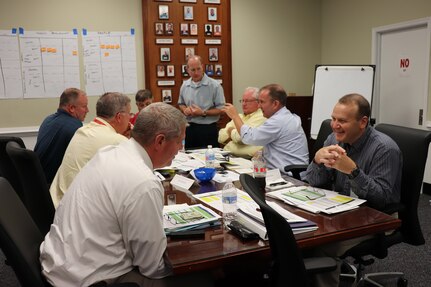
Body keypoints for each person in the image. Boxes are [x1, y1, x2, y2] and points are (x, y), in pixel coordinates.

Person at [40, 103, 214, 287]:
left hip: (60, 262)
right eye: (180, 142)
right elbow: (152, 267)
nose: (180, 149)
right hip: (89, 280)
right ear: (160, 141)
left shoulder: (108, 153)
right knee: (205, 279)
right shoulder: (144, 183)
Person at [302, 93, 402, 286]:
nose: (334, 125)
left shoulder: (384, 149)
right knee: (301, 236)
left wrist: (352, 171)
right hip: (339, 209)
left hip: (374, 217)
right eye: (333, 119)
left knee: (322, 246)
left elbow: (381, 200)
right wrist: (317, 160)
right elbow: (313, 182)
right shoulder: (333, 138)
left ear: (363, 122)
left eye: (342, 121)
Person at [49, 92, 132, 208]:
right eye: (129, 114)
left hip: (57, 204)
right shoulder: (117, 141)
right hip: (76, 211)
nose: (130, 119)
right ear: (119, 117)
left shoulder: (83, 130)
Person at [223, 84, 308, 173]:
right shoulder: (285, 116)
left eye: (262, 102)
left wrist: (235, 116)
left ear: (275, 104)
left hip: (288, 175)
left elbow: (248, 137)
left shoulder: (278, 121)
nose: (259, 106)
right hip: (279, 171)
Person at [34, 88, 89, 184]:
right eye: (84, 106)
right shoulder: (75, 127)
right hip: (54, 186)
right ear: (71, 108)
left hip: (38, 183)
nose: (87, 110)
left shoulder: (48, 120)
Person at [178, 55, 225, 149]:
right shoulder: (185, 85)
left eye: (198, 69)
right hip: (190, 128)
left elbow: (222, 109)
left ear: (203, 67)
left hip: (208, 129)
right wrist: (185, 110)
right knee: (190, 159)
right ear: (187, 70)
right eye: (193, 70)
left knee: (210, 160)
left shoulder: (214, 85)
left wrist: (203, 113)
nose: (196, 72)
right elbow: (181, 103)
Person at [218, 87, 266, 158]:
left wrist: (230, 130)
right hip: (229, 157)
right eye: (242, 101)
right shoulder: (239, 116)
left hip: (248, 160)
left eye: (247, 101)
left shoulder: (262, 116)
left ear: (258, 102)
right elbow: (221, 138)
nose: (243, 104)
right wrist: (235, 135)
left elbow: (241, 138)